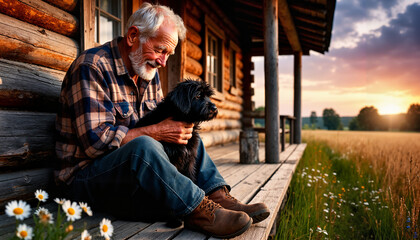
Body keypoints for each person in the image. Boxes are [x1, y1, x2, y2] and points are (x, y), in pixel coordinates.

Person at [55, 2, 269, 238]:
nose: (163, 62)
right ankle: (198, 210)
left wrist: (177, 133)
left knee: (188, 135)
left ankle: (216, 195)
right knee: (144, 145)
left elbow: (162, 132)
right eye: (160, 50)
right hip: (84, 181)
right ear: (133, 35)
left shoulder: (147, 71)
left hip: (129, 178)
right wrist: (157, 132)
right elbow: (96, 144)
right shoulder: (93, 67)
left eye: (169, 54)